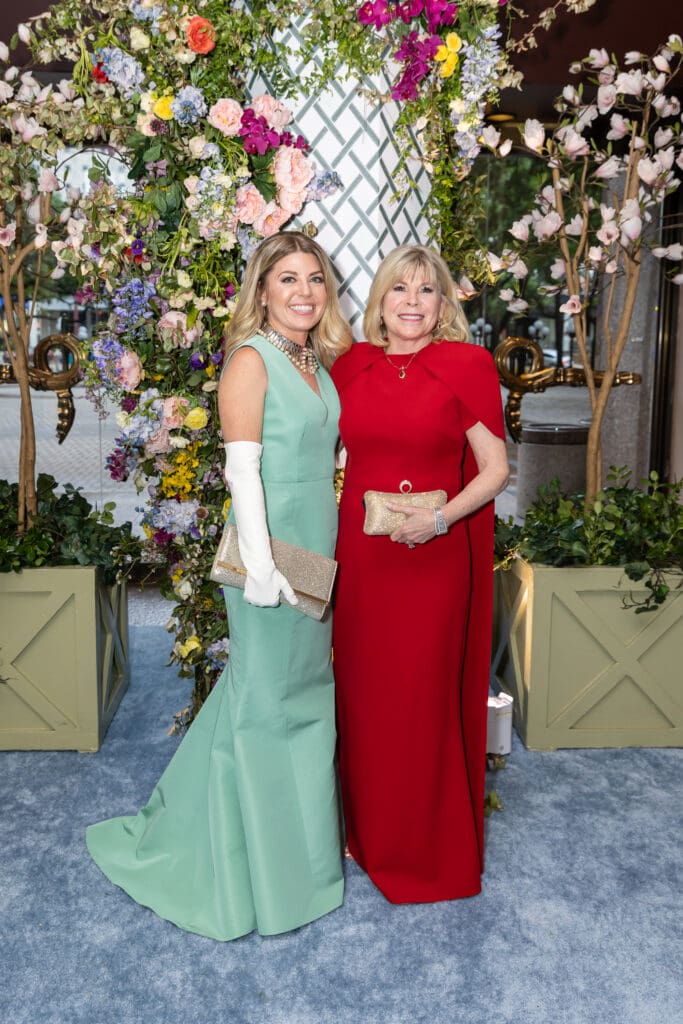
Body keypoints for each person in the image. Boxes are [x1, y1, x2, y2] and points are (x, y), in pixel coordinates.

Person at [87, 231, 352, 940]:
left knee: (299, 698)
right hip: (268, 553)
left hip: (314, 547)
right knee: (266, 702)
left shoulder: (314, 363)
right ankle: (257, 873)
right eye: (287, 278)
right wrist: (263, 573)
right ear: (260, 289)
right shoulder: (250, 358)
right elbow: (243, 473)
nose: (303, 292)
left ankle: (296, 853)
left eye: (314, 279)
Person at [330, 245, 509, 904]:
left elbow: (493, 469)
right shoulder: (350, 365)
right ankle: (369, 836)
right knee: (366, 698)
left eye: (425, 290)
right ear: (379, 299)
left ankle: (428, 849)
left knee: (423, 700)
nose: (411, 301)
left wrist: (439, 521)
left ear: (443, 303)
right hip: (364, 563)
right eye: (399, 289)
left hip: (433, 564)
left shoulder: (466, 366)